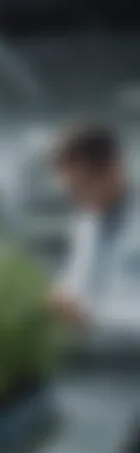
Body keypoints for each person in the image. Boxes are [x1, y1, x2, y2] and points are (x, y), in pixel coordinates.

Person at [48, 121, 140, 346]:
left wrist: (90, 317)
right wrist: (60, 297)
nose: (75, 198)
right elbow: (75, 281)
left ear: (113, 171)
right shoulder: (86, 222)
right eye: (69, 189)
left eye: (80, 186)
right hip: (99, 354)